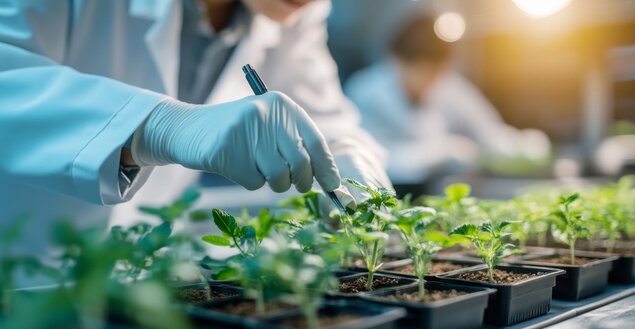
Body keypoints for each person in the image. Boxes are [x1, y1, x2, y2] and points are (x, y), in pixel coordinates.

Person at [0, 0, 390, 280]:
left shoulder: (292, 12)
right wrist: (155, 126)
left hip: (135, 277)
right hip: (21, 265)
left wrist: (350, 155)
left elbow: (324, 119)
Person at [345, 13, 550, 194]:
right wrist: (441, 151)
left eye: (435, 73)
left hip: (439, 191)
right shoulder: (365, 92)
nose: (428, 82)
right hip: (386, 192)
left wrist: (528, 146)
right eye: (421, 71)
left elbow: (491, 135)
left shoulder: (450, 88)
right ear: (396, 59)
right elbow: (372, 160)